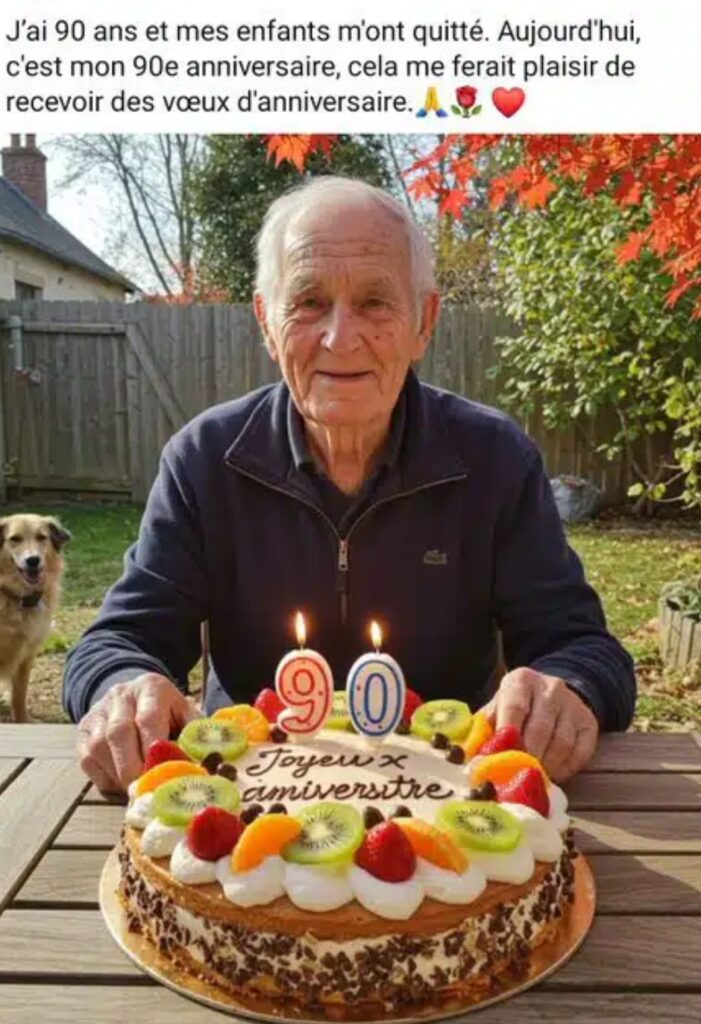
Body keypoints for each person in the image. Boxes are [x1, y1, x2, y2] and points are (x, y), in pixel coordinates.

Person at [64, 176, 636, 793]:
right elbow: (119, 639)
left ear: (424, 322)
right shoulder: (204, 460)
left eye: (375, 302)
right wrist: (125, 687)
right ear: (266, 321)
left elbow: (581, 646)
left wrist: (566, 688)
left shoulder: (496, 459)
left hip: (452, 804)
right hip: (242, 805)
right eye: (309, 301)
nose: (340, 338)